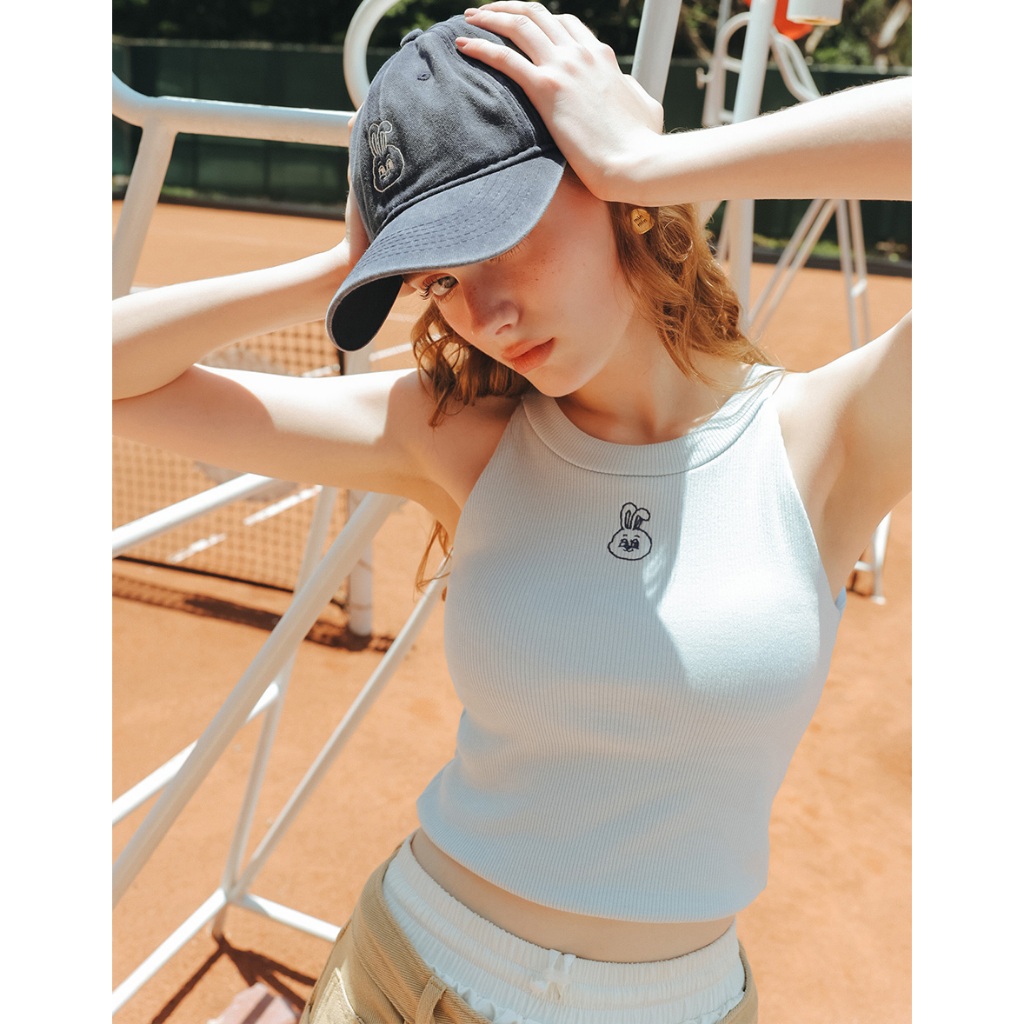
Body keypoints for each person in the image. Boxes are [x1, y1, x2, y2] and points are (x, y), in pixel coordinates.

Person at [113, 4, 911, 1022]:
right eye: (440, 277)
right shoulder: (456, 435)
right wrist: (341, 271)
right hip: (397, 979)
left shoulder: (829, 438)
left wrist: (656, 162)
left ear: (607, 188)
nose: (482, 315)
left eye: (502, 237)